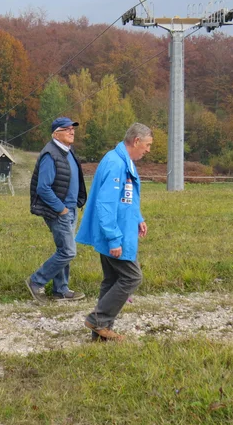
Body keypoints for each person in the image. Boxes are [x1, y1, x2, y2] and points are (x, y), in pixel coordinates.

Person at [75, 122, 153, 341]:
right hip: (113, 235)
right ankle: (98, 320)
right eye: (147, 145)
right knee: (132, 277)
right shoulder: (115, 163)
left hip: (119, 231)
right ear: (136, 141)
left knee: (111, 280)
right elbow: (106, 204)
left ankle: (100, 334)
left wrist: (138, 218)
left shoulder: (122, 160)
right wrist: (114, 239)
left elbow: (126, 197)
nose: (148, 150)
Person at [26, 116, 87, 303]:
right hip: (59, 211)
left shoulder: (67, 151)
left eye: (72, 129)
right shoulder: (50, 155)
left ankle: (61, 290)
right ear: (56, 134)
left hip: (70, 208)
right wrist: (61, 209)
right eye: (67, 129)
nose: (72, 132)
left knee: (63, 249)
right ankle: (36, 281)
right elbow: (43, 188)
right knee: (68, 251)